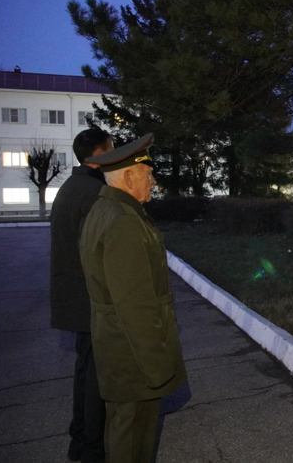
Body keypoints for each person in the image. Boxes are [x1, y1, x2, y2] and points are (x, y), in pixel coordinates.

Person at [79, 133, 187, 463]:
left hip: (118, 347)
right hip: (133, 353)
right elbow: (135, 305)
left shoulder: (106, 210)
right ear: (128, 177)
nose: (153, 181)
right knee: (132, 436)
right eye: (147, 174)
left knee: (128, 430)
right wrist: (158, 364)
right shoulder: (124, 222)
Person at [50, 128, 113, 462]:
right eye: (111, 150)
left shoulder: (72, 186)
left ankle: (80, 439)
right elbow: (97, 251)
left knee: (85, 368)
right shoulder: (92, 193)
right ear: (98, 155)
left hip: (74, 297)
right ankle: (92, 446)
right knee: (95, 375)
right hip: (88, 298)